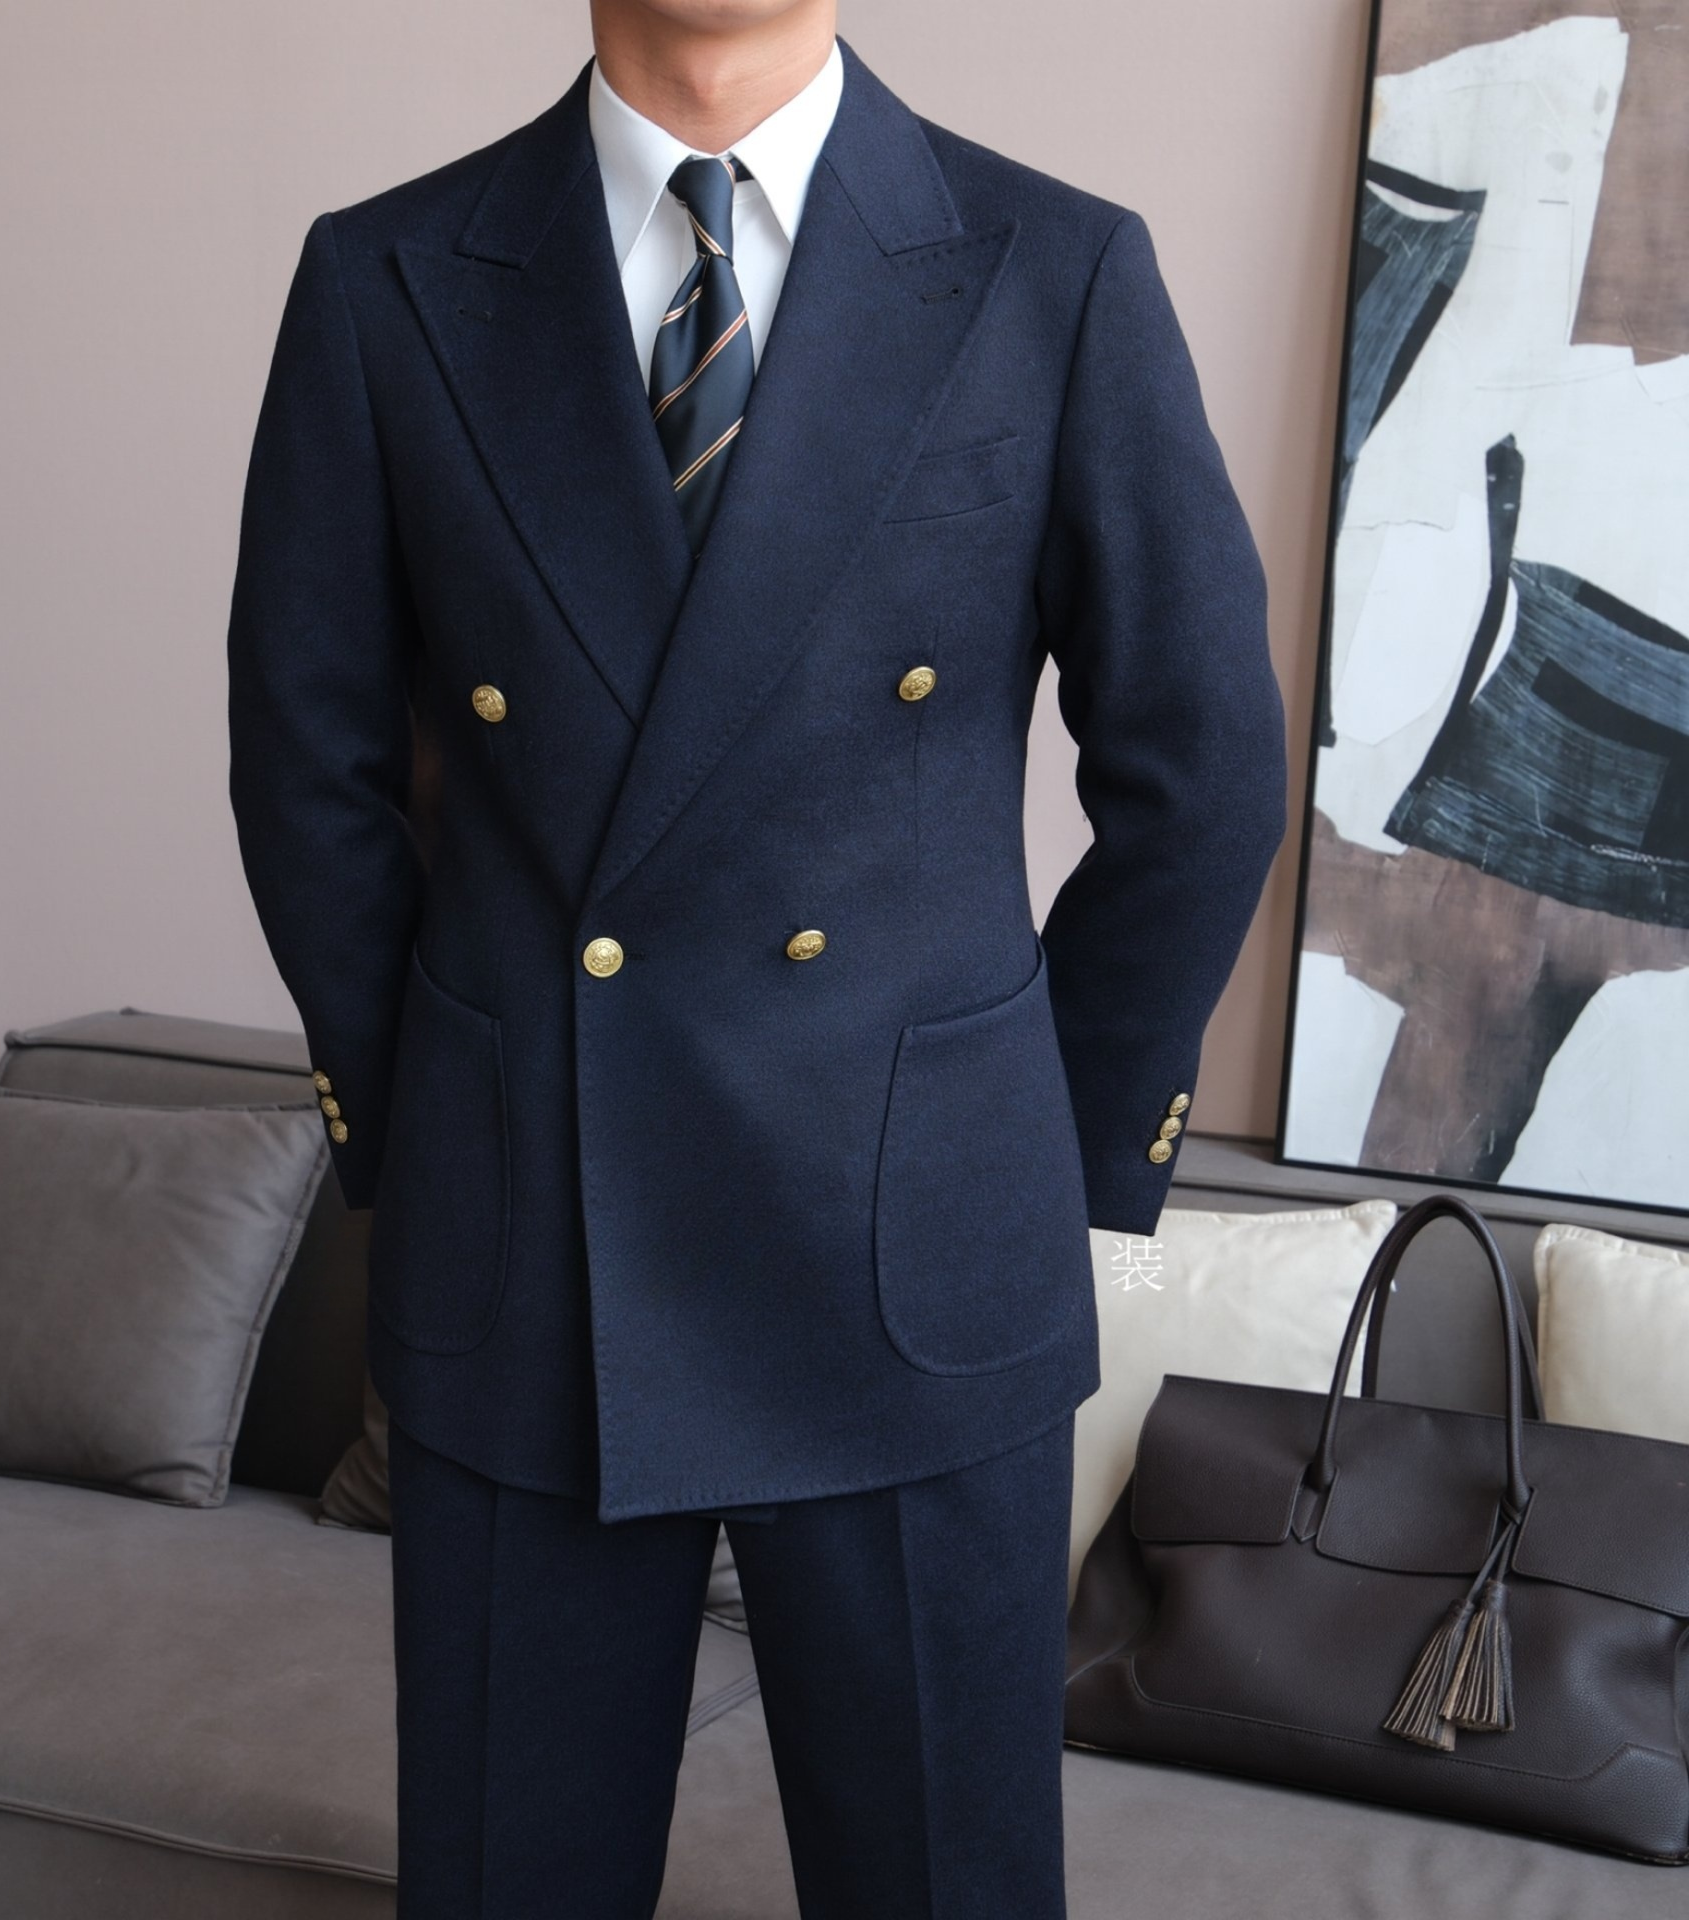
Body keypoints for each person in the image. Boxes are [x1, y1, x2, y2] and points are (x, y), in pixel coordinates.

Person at [225, 2, 1287, 1912]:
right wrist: (447, 1117)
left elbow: (1201, 777)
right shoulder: (386, 277)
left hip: (914, 1258)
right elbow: (306, 765)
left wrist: (1018, 1152)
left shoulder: (1052, 269)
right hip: (533, 1248)